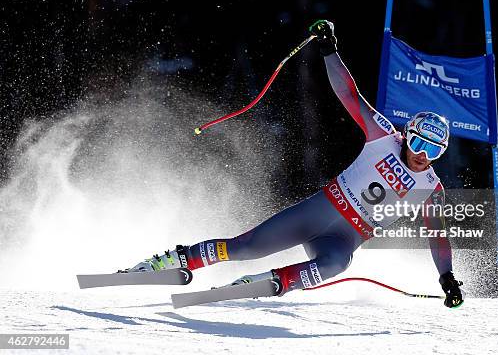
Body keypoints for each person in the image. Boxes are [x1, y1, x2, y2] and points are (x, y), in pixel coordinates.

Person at [128, 20, 464, 308]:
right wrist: (329, 49)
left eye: (433, 151)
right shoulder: (384, 137)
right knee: (246, 247)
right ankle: (172, 261)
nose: (423, 155)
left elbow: (437, 236)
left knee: (335, 264)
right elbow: (349, 95)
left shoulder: (431, 188)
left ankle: (262, 284)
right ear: (408, 136)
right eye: (419, 143)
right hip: (318, 212)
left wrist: (446, 276)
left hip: (344, 238)